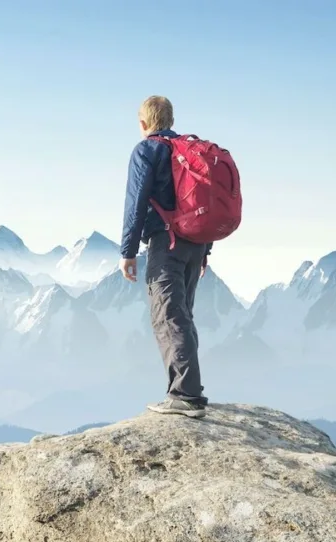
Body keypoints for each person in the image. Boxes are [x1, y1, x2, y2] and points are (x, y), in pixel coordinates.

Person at [119, 96, 211, 418]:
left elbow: (136, 202)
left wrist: (127, 251)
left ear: (143, 123)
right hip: (195, 243)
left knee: (169, 316)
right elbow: (204, 201)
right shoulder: (189, 151)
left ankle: (185, 396)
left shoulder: (147, 150)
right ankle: (186, 391)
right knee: (182, 314)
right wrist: (205, 250)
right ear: (170, 120)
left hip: (166, 242)